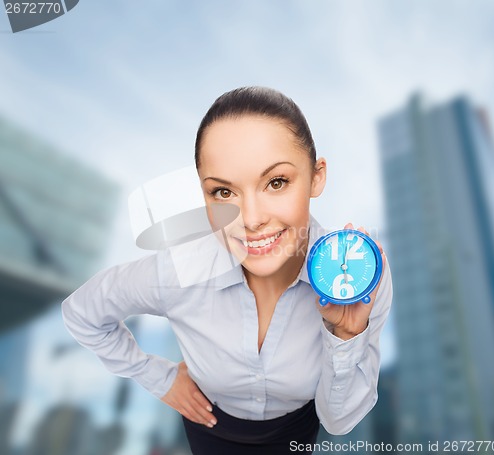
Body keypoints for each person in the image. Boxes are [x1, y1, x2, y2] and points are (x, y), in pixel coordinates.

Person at [62, 86, 393, 455]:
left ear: (316, 177)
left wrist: (346, 335)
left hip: (298, 430)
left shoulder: (358, 275)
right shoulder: (178, 271)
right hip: (209, 426)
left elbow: (338, 421)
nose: (250, 220)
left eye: (276, 183)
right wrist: (159, 378)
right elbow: (82, 313)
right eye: (223, 193)